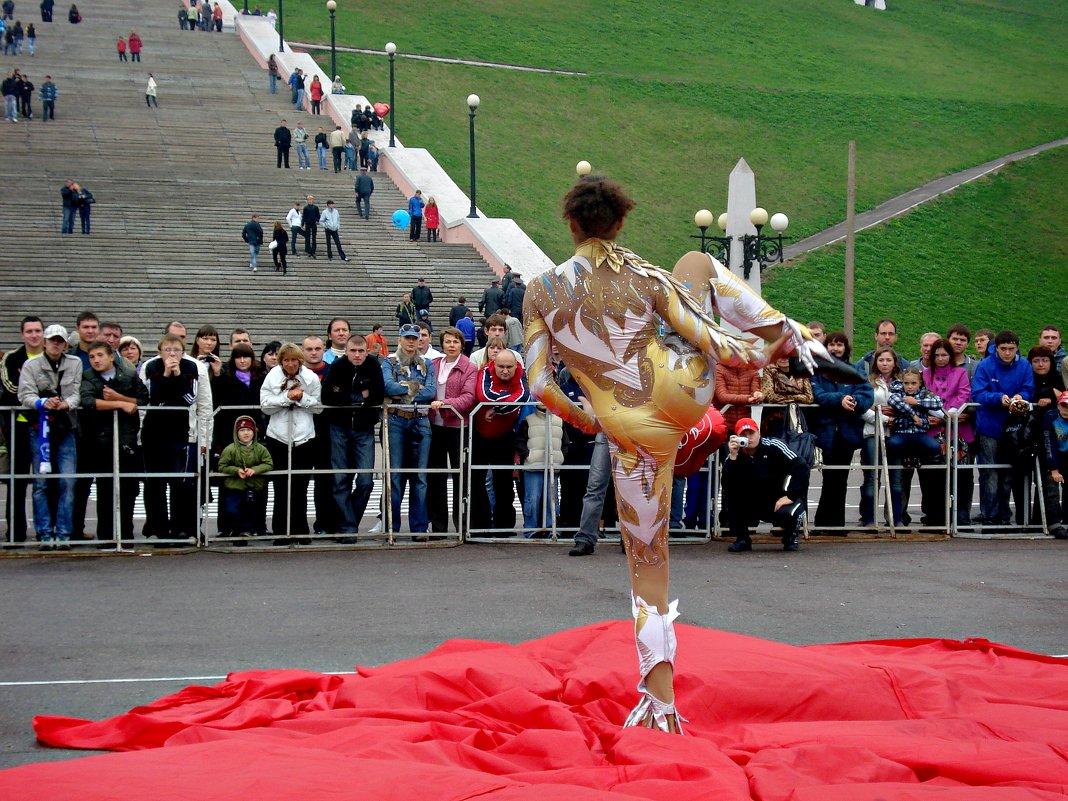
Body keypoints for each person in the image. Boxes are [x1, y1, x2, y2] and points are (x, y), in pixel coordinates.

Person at [523, 175, 834, 732]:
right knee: (698, 262)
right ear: (619, 223)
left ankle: (660, 704)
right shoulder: (643, 273)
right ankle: (782, 334)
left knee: (648, 568)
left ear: (571, 224)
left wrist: (589, 419)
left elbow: (539, 381)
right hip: (681, 390)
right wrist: (772, 348)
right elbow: (710, 336)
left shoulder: (541, 291)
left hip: (626, 426)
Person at [139, 333, 212, 543]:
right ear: (160, 351)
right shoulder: (150, 367)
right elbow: (149, 398)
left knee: (182, 482)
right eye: (167, 350)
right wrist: (165, 375)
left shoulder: (194, 368)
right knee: (154, 483)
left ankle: (183, 528)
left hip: (183, 432)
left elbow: (196, 400)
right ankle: (156, 527)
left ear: (183, 350)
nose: (172, 354)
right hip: (154, 432)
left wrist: (205, 439)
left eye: (176, 350)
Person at [18, 324, 81, 549]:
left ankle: (64, 533)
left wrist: (66, 403)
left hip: (66, 427)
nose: (56, 344)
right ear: (45, 342)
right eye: (52, 340)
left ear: (65, 344)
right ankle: (44, 533)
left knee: (67, 481)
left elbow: (76, 393)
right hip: (39, 427)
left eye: (60, 341)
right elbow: (24, 394)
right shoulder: (31, 365)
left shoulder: (75, 363)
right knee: (41, 483)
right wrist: (42, 402)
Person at [78, 340, 148, 544]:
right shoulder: (88, 376)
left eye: (100, 355)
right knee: (105, 488)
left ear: (111, 356)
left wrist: (120, 397)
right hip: (100, 440)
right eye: (92, 357)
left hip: (126, 439)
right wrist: (118, 403)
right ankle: (106, 535)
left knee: (128, 489)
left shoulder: (127, 375)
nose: (96, 360)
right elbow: (88, 401)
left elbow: (143, 399)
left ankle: (125, 533)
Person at [809, 332, 873, 533]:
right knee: (830, 478)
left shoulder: (854, 371)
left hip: (847, 432)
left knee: (840, 478)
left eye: (840, 345)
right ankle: (825, 523)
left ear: (846, 348)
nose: (836, 349)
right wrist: (840, 399)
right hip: (826, 431)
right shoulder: (817, 371)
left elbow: (866, 394)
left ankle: (834, 524)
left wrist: (854, 402)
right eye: (832, 345)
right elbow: (817, 395)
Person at [322, 334, 384, 539]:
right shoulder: (338, 366)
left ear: (367, 351)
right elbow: (329, 396)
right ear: (346, 351)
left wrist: (347, 395)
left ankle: (349, 522)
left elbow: (377, 394)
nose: (357, 355)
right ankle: (347, 527)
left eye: (361, 351)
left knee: (366, 481)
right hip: (339, 427)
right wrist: (359, 396)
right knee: (341, 479)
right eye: (353, 351)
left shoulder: (373, 365)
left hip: (364, 429)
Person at [260, 342, 321, 542]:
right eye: (286, 360)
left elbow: (319, 407)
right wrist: (287, 397)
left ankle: (300, 529)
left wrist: (302, 397)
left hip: (304, 437)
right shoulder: (272, 376)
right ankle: (280, 530)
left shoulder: (310, 378)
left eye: (294, 360)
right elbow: (265, 406)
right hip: (278, 436)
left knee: (300, 485)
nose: (290, 364)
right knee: (281, 484)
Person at [972, 330, 1033, 526]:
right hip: (989, 425)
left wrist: (1020, 397)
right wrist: (998, 398)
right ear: (996, 348)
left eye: (1011, 349)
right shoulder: (985, 366)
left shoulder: (1024, 365)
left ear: (1017, 348)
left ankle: (1004, 515)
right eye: (1003, 349)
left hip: (1014, 427)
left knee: (1008, 473)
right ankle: (989, 514)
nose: (1007, 353)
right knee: (989, 472)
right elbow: (978, 394)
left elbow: (1028, 388)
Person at [722, 417, 809, 553]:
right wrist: (732, 456)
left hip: (777, 499)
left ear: (759, 433)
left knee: (791, 510)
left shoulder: (774, 445)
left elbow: (801, 466)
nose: (748, 438)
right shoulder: (735, 455)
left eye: (751, 433)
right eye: (743, 435)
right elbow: (727, 484)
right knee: (731, 496)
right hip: (752, 501)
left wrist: (791, 495)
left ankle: (791, 536)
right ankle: (742, 538)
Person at [381, 323, 436, 536]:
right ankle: (391, 528)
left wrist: (403, 388)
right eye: (408, 338)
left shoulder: (427, 363)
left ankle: (419, 527)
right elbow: (388, 387)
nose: (412, 341)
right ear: (400, 339)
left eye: (415, 338)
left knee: (420, 477)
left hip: (420, 419)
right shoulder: (389, 362)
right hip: (397, 419)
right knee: (394, 475)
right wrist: (415, 387)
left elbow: (430, 392)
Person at [470, 349, 529, 536]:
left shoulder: (521, 373)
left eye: (509, 367)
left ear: (515, 366)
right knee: (476, 481)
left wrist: (496, 408)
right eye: (501, 367)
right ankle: (479, 526)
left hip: (504, 434)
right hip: (479, 433)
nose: (505, 371)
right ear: (494, 364)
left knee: (503, 482)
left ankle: (504, 526)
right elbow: (484, 396)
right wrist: (502, 405)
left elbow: (521, 398)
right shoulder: (485, 371)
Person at [426, 327, 477, 535]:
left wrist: (444, 403)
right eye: (448, 342)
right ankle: (439, 527)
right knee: (435, 478)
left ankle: (462, 526)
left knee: (461, 479)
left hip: (458, 427)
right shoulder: (434, 364)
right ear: (442, 344)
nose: (452, 345)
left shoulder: (469, 367)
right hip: (434, 427)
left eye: (455, 342)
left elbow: (468, 397)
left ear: (462, 345)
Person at [1, 316, 45, 546]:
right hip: (18, 425)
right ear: (22, 334)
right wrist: (39, 396)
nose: (34, 335)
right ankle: (16, 532)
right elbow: (10, 388)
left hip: (47, 426)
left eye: (38, 330)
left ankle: (44, 530)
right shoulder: (12, 358)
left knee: (44, 480)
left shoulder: (52, 356)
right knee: (16, 479)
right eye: (29, 331)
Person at [923, 338, 973, 526]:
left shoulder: (960, 373)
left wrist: (948, 415)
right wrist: (941, 415)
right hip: (933, 430)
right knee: (934, 476)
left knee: (962, 475)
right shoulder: (925, 374)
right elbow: (924, 396)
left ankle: (961, 517)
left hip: (958, 430)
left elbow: (963, 395)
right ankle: (935, 517)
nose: (941, 359)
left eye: (944, 355)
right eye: (937, 355)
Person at [886, 368, 944, 526]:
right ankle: (897, 517)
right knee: (893, 445)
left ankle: (916, 457)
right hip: (902, 433)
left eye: (913, 383)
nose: (910, 387)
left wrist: (917, 402)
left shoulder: (924, 394)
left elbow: (939, 402)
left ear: (919, 383)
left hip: (920, 434)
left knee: (934, 447)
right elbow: (894, 402)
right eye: (907, 383)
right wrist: (913, 414)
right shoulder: (897, 392)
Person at [859, 346, 899, 526]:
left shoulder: (903, 381)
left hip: (897, 434)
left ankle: (896, 519)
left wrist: (896, 419)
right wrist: (884, 419)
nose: (885, 364)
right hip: (873, 433)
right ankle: (868, 519)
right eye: (881, 360)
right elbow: (862, 408)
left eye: (888, 360)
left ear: (895, 362)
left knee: (896, 479)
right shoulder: (867, 382)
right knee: (871, 478)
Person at [216, 416, 272, 541]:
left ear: (254, 432)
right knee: (232, 509)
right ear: (236, 433)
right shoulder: (230, 449)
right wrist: (236, 471)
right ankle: (233, 529)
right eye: (242, 430)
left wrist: (255, 470)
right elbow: (222, 466)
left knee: (250, 509)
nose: (246, 433)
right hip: (235, 486)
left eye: (249, 430)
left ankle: (245, 531)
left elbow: (268, 463)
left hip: (253, 485)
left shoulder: (261, 449)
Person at [517, 402, 565, 538]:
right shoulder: (528, 420)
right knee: (532, 498)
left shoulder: (559, 421)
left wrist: (560, 457)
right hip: (532, 466)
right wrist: (527, 455)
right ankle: (531, 529)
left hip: (553, 465)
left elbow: (565, 442)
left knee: (552, 499)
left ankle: (552, 528)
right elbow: (519, 441)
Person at [1039, 391, 1068, 539]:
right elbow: (1048, 445)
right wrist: (1054, 469)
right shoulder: (1050, 418)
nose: (1066, 409)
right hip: (1054, 456)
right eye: (1064, 405)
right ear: (1058, 404)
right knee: (1051, 485)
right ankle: (1054, 523)